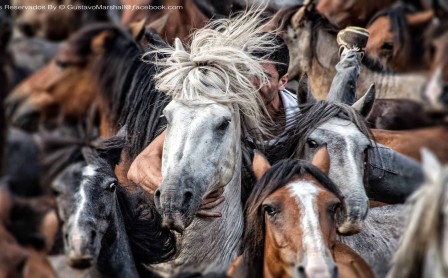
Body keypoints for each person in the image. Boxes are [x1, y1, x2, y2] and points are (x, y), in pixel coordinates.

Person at [127, 26, 423, 205]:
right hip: (269, 189)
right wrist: (168, 190)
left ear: (283, 81)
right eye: (245, 73)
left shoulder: (299, 113)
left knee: (338, 109)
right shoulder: (225, 112)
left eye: (262, 75)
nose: (250, 83)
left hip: (312, 145)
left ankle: (350, 55)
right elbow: (139, 166)